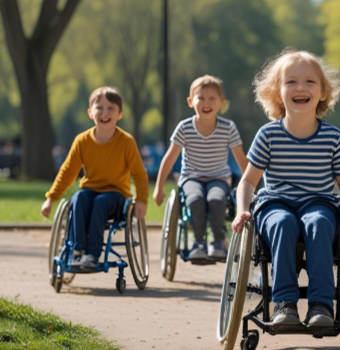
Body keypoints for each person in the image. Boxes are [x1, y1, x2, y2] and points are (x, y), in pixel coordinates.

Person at [232, 49, 340, 328]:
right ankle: (285, 304)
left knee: (318, 222)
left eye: (309, 82)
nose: (300, 87)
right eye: (291, 82)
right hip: (275, 203)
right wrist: (242, 210)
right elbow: (247, 181)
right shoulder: (268, 135)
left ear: (322, 93)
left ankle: (321, 305)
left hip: (319, 203)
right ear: (277, 92)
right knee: (282, 223)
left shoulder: (333, 137)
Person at [41, 86, 148, 271]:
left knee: (101, 201)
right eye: (99, 108)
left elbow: (139, 173)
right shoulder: (82, 141)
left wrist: (141, 200)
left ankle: (92, 255)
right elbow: (67, 172)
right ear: (90, 113)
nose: (104, 113)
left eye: (111, 108)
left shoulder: (126, 142)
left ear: (119, 114)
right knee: (79, 198)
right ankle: (77, 251)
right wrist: (51, 198)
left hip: (116, 195)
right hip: (90, 191)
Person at [153, 75, 248, 261]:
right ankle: (198, 243)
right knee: (195, 199)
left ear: (222, 103)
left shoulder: (229, 128)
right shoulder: (184, 128)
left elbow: (241, 160)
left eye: (212, 98)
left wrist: (251, 187)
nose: (206, 103)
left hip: (219, 178)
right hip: (191, 177)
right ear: (191, 101)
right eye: (201, 98)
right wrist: (159, 187)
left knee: (217, 199)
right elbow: (169, 158)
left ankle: (218, 241)